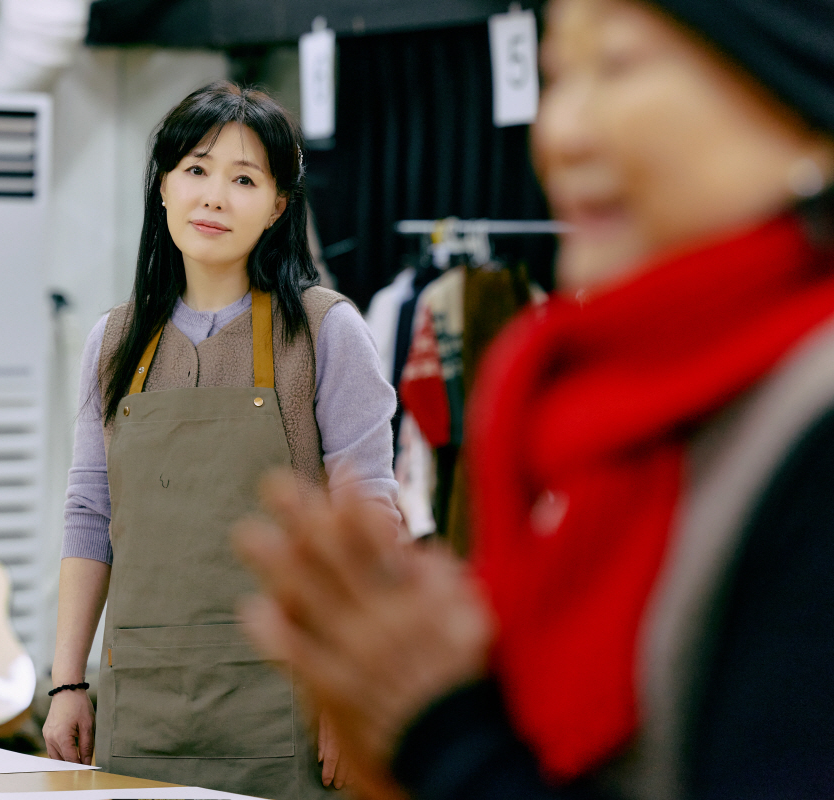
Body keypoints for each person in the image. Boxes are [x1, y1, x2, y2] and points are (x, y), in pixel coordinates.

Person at [235, 0, 834, 798]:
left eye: (617, 65)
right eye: (557, 76)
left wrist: (438, 728)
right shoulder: (618, 411)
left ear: (803, 100)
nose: (560, 132)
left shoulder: (809, 431)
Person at [43, 81, 399, 799]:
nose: (213, 196)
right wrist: (67, 680)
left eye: (243, 179)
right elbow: (89, 517)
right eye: (196, 170)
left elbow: (371, 524)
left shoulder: (326, 331)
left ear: (276, 207)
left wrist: (356, 695)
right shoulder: (114, 343)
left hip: (290, 705)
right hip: (140, 705)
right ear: (164, 188)